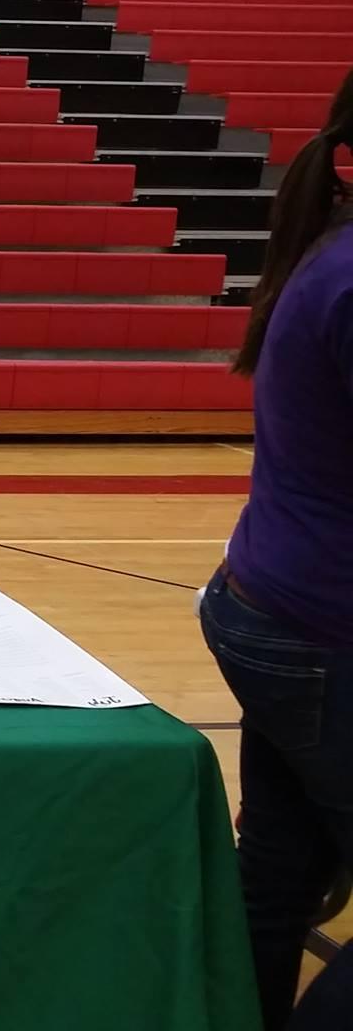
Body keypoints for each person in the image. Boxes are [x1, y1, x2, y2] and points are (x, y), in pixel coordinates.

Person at [200, 65, 353, 1031]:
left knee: (280, 878)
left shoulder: (329, 259)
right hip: (321, 634)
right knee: (278, 880)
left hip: (278, 612)